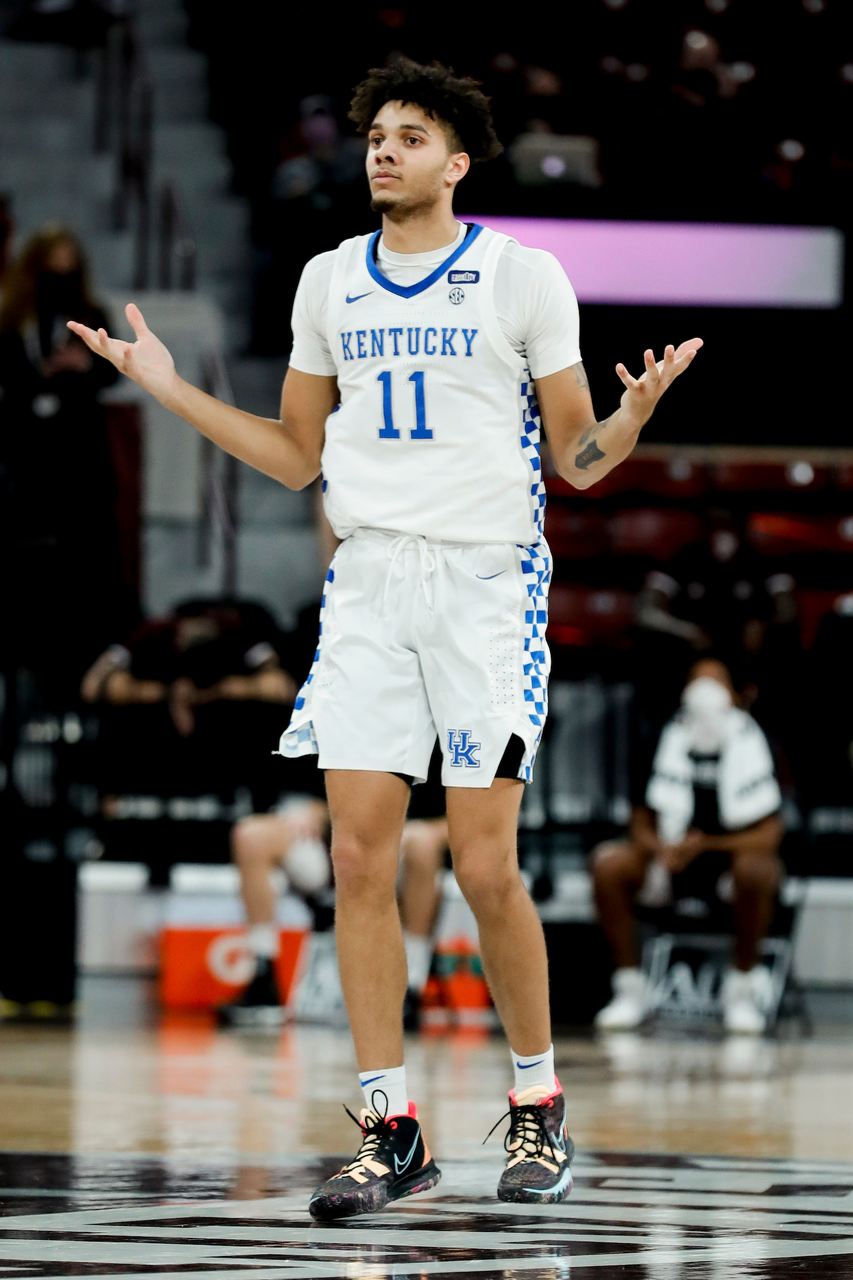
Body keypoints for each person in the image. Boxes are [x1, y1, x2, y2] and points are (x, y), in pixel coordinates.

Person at [70, 59, 701, 1218]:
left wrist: (631, 413)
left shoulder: (522, 275)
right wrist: (166, 385)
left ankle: (535, 1099)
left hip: (482, 587)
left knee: (481, 862)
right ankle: (390, 1126)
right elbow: (296, 454)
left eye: (410, 136)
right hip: (365, 583)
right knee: (358, 860)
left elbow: (578, 458)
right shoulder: (327, 280)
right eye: (375, 134)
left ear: (457, 163)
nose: (382, 150)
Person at [592, 659, 783, 1036]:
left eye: (716, 682)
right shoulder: (661, 739)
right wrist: (662, 847)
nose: (706, 693)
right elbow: (639, 822)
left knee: (758, 869)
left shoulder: (759, 744)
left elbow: (769, 834)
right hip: (671, 864)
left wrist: (709, 845)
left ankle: (740, 992)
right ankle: (630, 990)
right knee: (609, 865)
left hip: (728, 868)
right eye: (698, 682)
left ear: (734, 694)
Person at [220, 749, 447, 1030]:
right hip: (335, 843)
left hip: (399, 848)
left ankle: (411, 986)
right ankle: (263, 975)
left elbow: (463, 818)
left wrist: (429, 833)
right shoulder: (343, 718)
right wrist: (312, 811)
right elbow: (318, 792)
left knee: (422, 842)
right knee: (251, 835)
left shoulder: (435, 732)